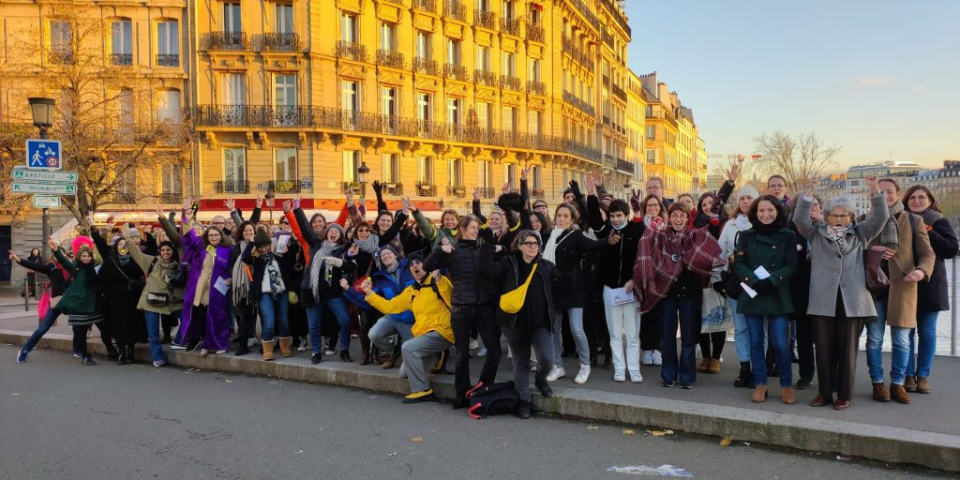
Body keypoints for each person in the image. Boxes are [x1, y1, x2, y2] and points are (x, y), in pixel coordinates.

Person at [793, 175, 887, 410]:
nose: (839, 219)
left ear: (851, 217)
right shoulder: (815, 234)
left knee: (847, 350)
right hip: (823, 299)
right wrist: (809, 191)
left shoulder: (860, 233)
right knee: (823, 349)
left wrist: (875, 189)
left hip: (851, 300)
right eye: (834, 215)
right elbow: (799, 218)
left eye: (844, 215)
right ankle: (824, 394)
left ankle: (844, 395)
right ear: (826, 217)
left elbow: (881, 217)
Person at [636, 202, 723, 389]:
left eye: (682, 216)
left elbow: (713, 232)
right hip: (667, 292)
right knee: (668, 336)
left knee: (689, 336)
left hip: (690, 292)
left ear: (687, 218)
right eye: (674, 215)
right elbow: (646, 248)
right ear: (669, 217)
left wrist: (715, 216)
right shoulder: (660, 236)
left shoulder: (695, 236)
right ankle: (668, 376)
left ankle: (687, 376)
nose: (678, 219)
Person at [864, 179, 934, 405]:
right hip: (874, 290)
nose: (886, 196)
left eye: (890, 192)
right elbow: (852, 251)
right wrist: (870, 250)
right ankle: (877, 383)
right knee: (874, 340)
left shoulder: (914, 221)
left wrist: (921, 272)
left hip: (903, 287)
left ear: (897, 194)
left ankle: (897, 383)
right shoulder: (865, 221)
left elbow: (927, 254)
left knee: (902, 341)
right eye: (880, 193)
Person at [424, 215, 502, 408]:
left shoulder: (482, 249)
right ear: (463, 229)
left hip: (484, 307)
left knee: (495, 351)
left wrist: (500, 248)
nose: (476, 230)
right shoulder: (453, 249)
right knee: (461, 354)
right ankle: (462, 394)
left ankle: (483, 387)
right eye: (473, 227)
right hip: (461, 307)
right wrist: (440, 251)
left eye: (477, 227)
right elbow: (427, 266)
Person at [483, 230, 558, 418]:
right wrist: (488, 248)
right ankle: (524, 401)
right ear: (519, 245)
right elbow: (487, 274)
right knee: (521, 361)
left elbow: (562, 284)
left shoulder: (547, 267)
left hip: (540, 323)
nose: (532, 246)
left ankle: (541, 380)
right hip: (513, 322)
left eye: (536, 243)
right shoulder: (508, 264)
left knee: (547, 359)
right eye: (528, 243)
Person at [733, 195, 799, 404]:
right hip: (753, 293)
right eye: (761, 210)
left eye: (770, 210)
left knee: (780, 343)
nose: (765, 214)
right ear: (755, 213)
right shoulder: (745, 235)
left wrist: (771, 280)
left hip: (776, 293)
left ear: (778, 211)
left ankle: (786, 385)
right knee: (755, 342)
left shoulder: (788, 235)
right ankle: (760, 383)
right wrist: (753, 281)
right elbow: (739, 263)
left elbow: (791, 265)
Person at [361, 256, 454, 404]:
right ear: (409, 270)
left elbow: (448, 292)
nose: (415, 266)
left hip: (442, 331)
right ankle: (436, 355)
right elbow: (390, 306)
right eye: (411, 265)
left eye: (418, 262)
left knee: (408, 347)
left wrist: (439, 278)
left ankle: (423, 390)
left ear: (425, 265)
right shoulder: (411, 291)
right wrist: (369, 294)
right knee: (404, 374)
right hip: (424, 336)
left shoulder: (437, 281)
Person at [541, 203, 608, 385]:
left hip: (573, 288)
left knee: (576, 329)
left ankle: (585, 364)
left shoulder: (576, 236)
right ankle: (557, 365)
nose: (561, 219)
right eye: (559, 215)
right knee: (553, 330)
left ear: (572, 220)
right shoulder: (548, 236)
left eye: (565, 216)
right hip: (553, 289)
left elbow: (594, 245)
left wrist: (608, 241)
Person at [902, 185, 958, 394]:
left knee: (927, 333)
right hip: (906, 282)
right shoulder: (900, 220)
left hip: (931, 283)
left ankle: (923, 376)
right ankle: (908, 375)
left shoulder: (938, 220)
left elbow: (951, 249)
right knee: (905, 333)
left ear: (930, 199)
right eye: (912, 198)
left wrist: (929, 231)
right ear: (906, 201)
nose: (916, 201)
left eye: (921, 197)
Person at [588, 192, 645, 382]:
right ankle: (619, 368)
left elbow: (642, 259)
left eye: (619, 215)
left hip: (630, 288)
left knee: (632, 332)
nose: (615, 219)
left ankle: (634, 368)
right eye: (612, 216)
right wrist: (591, 195)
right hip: (610, 289)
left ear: (625, 216)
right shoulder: (606, 232)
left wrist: (634, 279)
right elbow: (595, 220)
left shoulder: (636, 231)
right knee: (614, 332)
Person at [18, 237, 102, 365]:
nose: (86, 258)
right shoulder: (64, 267)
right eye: (83, 256)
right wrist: (56, 249)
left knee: (80, 329)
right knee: (44, 328)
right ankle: (25, 351)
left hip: (76, 303)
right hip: (60, 302)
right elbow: (39, 265)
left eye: (88, 256)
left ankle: (80, 351)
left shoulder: (91, 269)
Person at [343, 244, 418, 368]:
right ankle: (392, 352)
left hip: (412, 319)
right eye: (382, 255)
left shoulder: (409, 267)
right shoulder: (380, 278)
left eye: (388, 253)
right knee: (374, 334)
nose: (385, 256)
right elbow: (370, 302)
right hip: (393, 317)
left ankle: (406, 349)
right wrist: (348, 289)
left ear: (395, 255)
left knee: (411, 358)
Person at [122, 225, 183, 367]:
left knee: (188, 316)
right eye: (163, 250)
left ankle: (179, 341)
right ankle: (158, 357)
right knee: (153, 332)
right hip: (151, 301)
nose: (166, 252)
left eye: (168, 250)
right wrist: (127, 238)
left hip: (171, 301)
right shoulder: (151, 261)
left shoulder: (177, 265)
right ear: (159, 251)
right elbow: (136, 253)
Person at [176, 214, 233, 356]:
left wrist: (231, 279)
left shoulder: (228, 249)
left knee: (219, 317)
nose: (214, 237)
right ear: (207, 237)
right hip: (200, 289)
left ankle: (220, 344)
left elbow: (234, 267)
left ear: (221, 236)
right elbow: (190, 235)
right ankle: (206, 344)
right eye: (211, 235)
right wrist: (186, 218)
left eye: (216, 235)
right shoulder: (201, 248)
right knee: (202, 316)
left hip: (219, 289)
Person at [718, 186, 758, 387]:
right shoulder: (730, 225)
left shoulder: (763, 222)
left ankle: (758, 368)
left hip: (759, 283)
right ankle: (744, 368)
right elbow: (720, 251)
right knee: (741, 328)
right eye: (742, 198)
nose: (745, 201)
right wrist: (728, 262)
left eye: (749, 198)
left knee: (759, 329)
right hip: (736, 283)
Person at [90, 223, 147, 365]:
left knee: (133, 325)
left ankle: (131, 352)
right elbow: (101, 281)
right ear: (115, 247)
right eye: (119, 244)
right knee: (119, 325)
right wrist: (109, 294)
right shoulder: (111, 261)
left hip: (133, 296)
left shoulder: (135, 259)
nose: (122, 246)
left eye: (125, 244)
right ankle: (122, 351)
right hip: (116, 299)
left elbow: (142, 273)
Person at [786, 194, 823, 390]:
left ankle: (829, 375)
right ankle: (806, 374)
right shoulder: (792, 230)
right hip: (801, 290)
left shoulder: (829, 226)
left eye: (815, 204)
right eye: (807, 206)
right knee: (804, 335)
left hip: (825, 291)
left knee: (826, 337)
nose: (812, 208)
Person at [242, 230, 294, 360]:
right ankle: (267, 349)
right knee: (268, 321)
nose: (264, 249)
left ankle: (284, 346)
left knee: (284, 320)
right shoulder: (257, 260)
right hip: (264, 293)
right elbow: (245, 257)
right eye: (261, 247)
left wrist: (287, 252)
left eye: (266, 246)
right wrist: (252, 242)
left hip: (281, 291)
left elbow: (289, 266)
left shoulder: (278, 257)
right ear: (258, 248)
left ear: (270, 245)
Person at [638, 193, 667, 365]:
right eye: (649, 205)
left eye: (655, 205)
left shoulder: (666, 226)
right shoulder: (640, 226)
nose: (652, 208)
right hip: (644, 275)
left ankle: (658, 349)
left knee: (661, 315)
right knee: (646, 313)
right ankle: (647, 348)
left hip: (662, 276)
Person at [229, 220, 258, 356]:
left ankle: (265, 343)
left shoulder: (259, 246)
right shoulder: (236, 248)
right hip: (242, 286)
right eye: (246, 231)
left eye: (251, 231)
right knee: (245, 316)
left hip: (258, 285)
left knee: (263, 316)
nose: (248, 233)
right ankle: (243, 345)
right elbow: (234, 264)